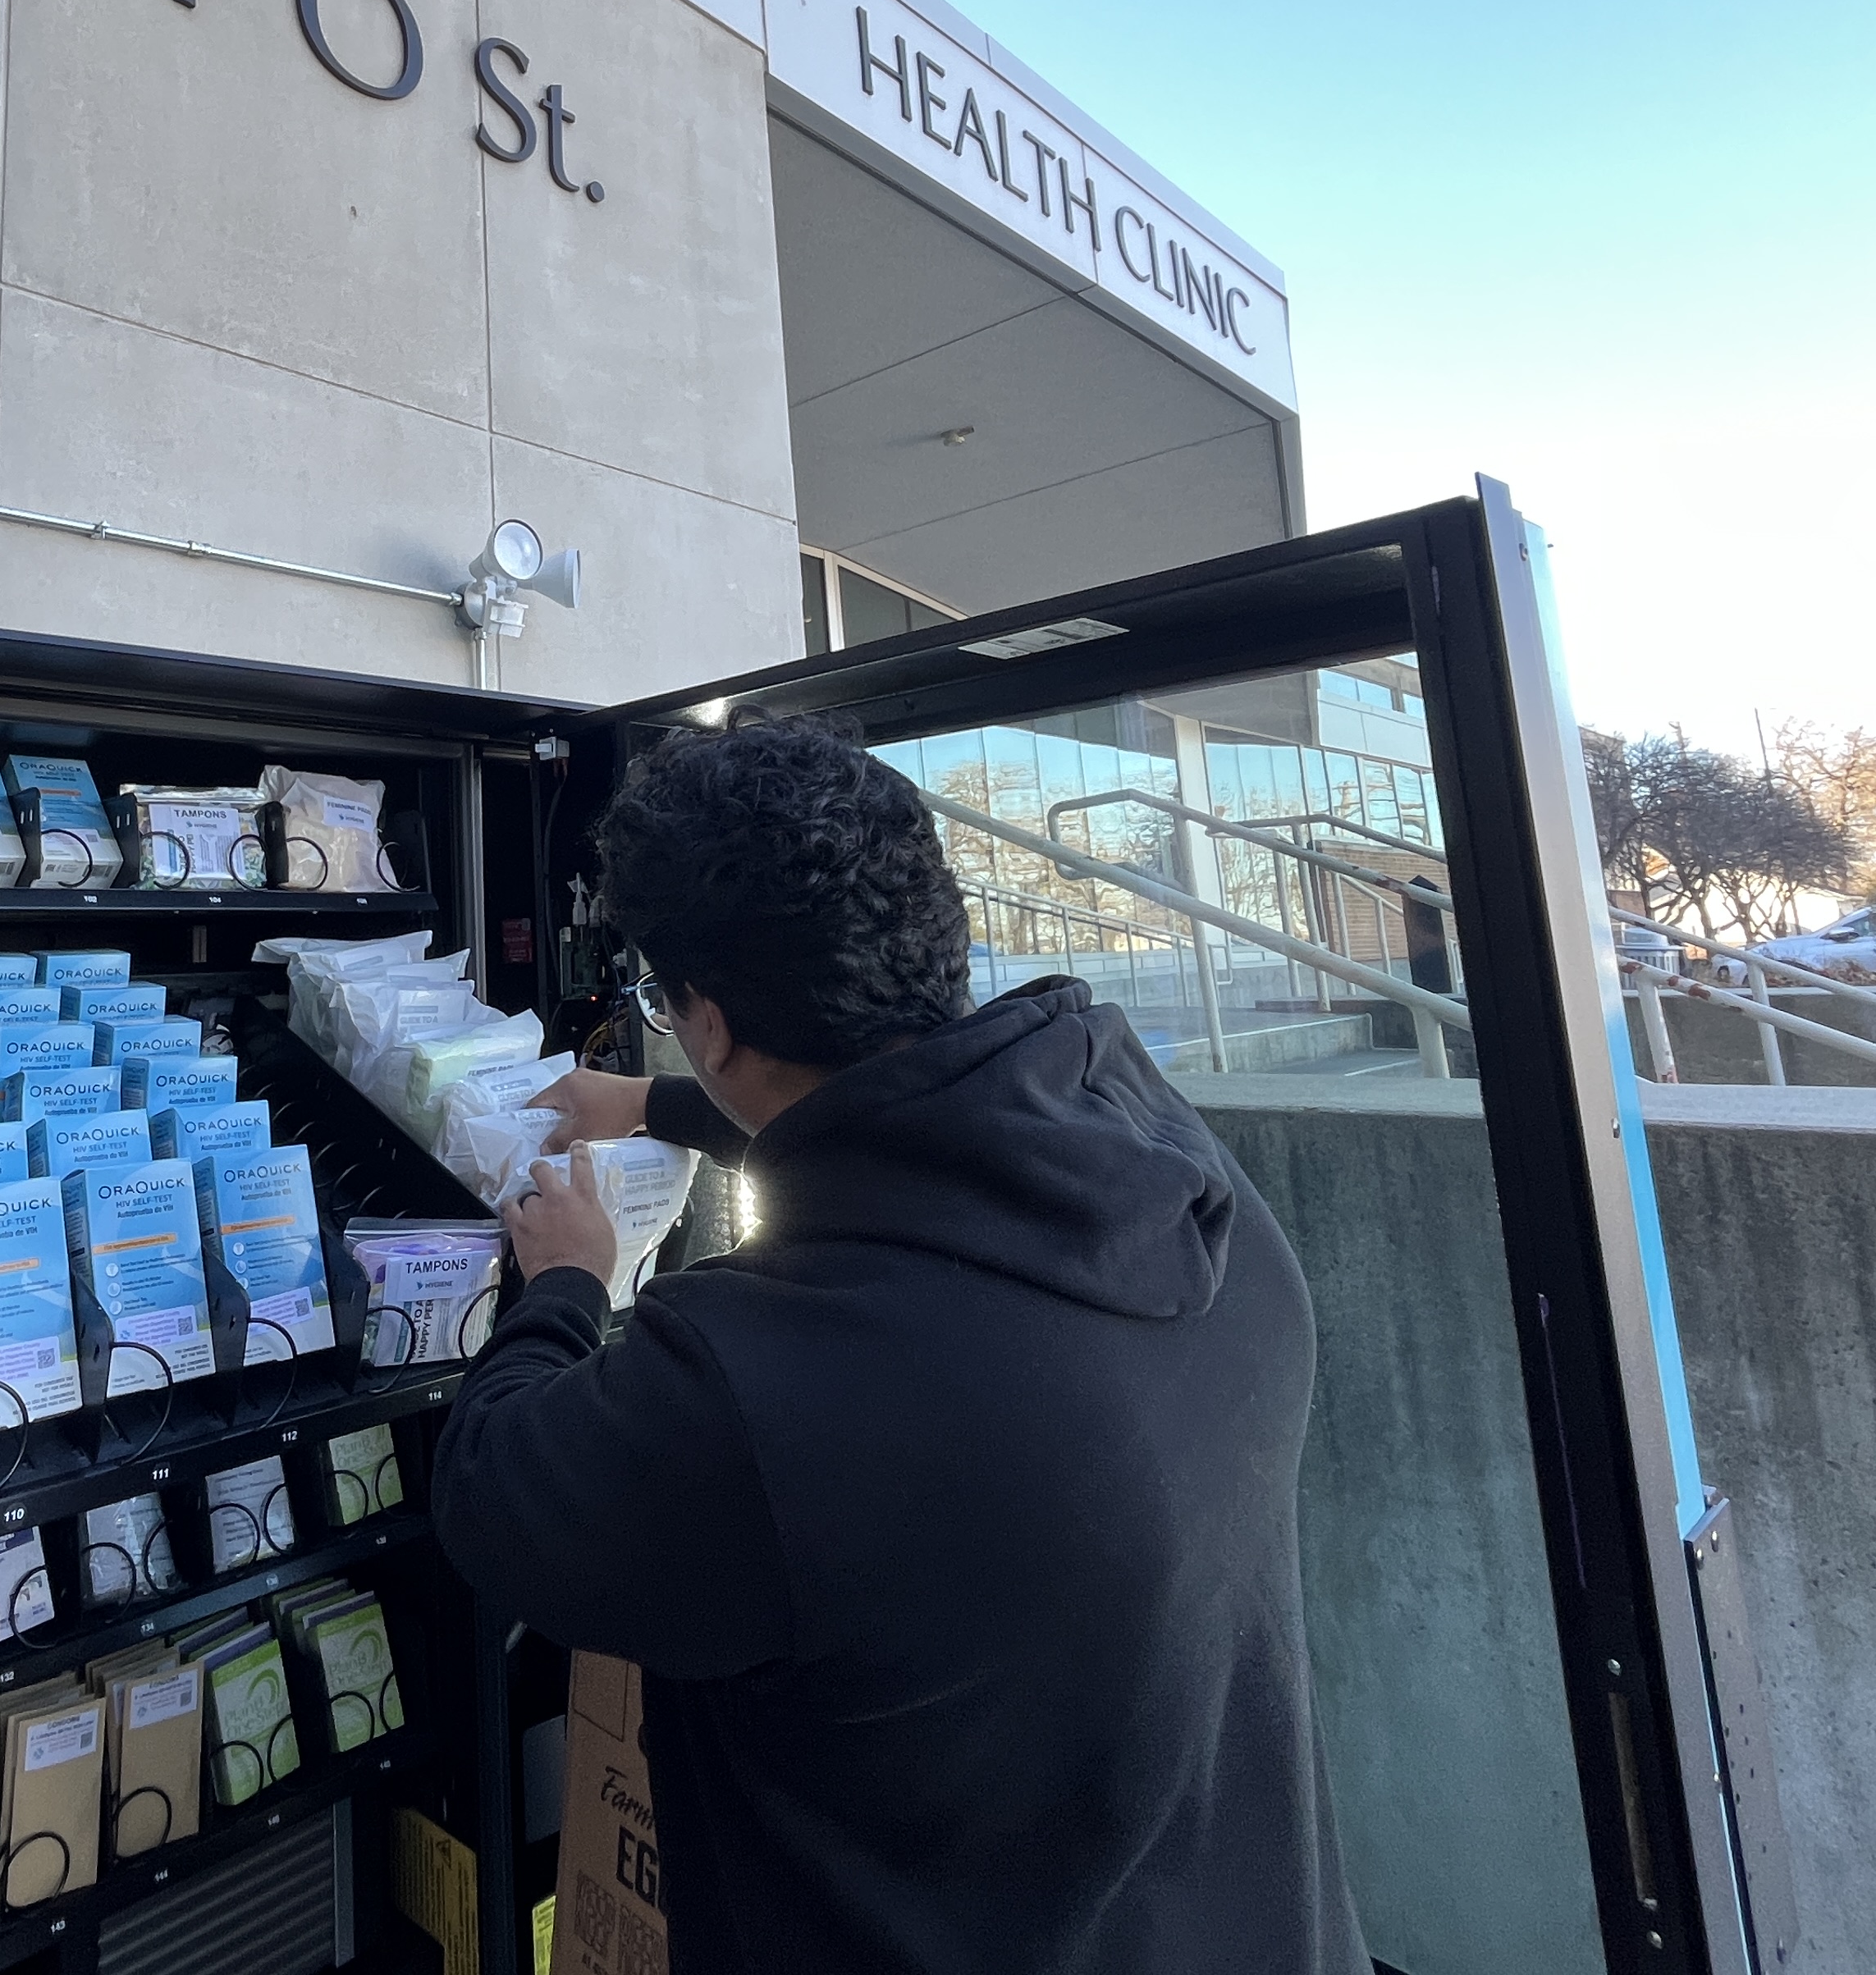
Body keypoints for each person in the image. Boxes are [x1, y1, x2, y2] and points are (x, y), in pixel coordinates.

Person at [428, 716, 1370, 1974]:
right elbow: (911, 1135)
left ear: (704, 1017)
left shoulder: (752, 1380)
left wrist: (565, 1285)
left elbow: (495, 1493)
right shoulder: (1162, 1161)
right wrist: (654, 1102)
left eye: (665, 1002)